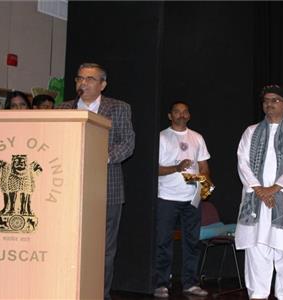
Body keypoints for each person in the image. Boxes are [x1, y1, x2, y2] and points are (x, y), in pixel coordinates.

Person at [56, 63, 135, 300]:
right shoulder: (63, 109)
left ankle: (99, 294)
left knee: (103, 249)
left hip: (106, 189)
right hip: (67, 187)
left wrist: (104, 155)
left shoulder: (118, 108)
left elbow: (127, 143)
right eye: (79, 78)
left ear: (103, 84)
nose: (83, 83)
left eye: (90, 79)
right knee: (68, 243)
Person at [234, 85, 283, 300]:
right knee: (257, 248)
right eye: (266, 100)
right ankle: (257, 294)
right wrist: (259, 189)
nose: (269, 103)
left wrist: (274, 189)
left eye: (275, 100)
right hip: (255, 198)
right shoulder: (251, 131)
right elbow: (243, 162)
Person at [154, 101, 211, 298]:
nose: (181, 115)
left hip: (192, 199)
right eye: (177, 112)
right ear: (170, 115)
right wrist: (176, 168)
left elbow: (203, 165)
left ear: (189, 115)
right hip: (167, 197)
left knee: (192, 242)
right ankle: (161, 283)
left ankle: (190, 283)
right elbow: (155, 170)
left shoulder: (197, 138)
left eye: (185, 111)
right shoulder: (161, 137)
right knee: (163, 242)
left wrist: (204, 181)